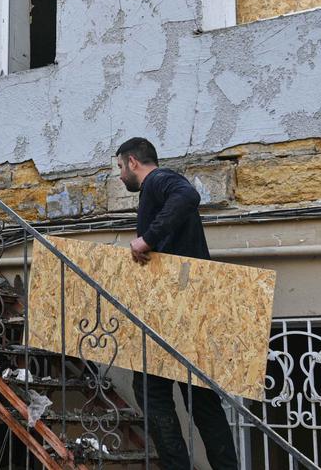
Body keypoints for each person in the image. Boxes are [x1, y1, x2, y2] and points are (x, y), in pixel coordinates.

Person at [115, 136, 239, 470]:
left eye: (119, 168)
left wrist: (147, 239)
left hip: (174, 307)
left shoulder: (158, 180)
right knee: (201, 401)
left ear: (132, 162)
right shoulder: (157, 187)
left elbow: (188, 195)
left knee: (151, 392)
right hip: (189, 306)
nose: (120, 176)